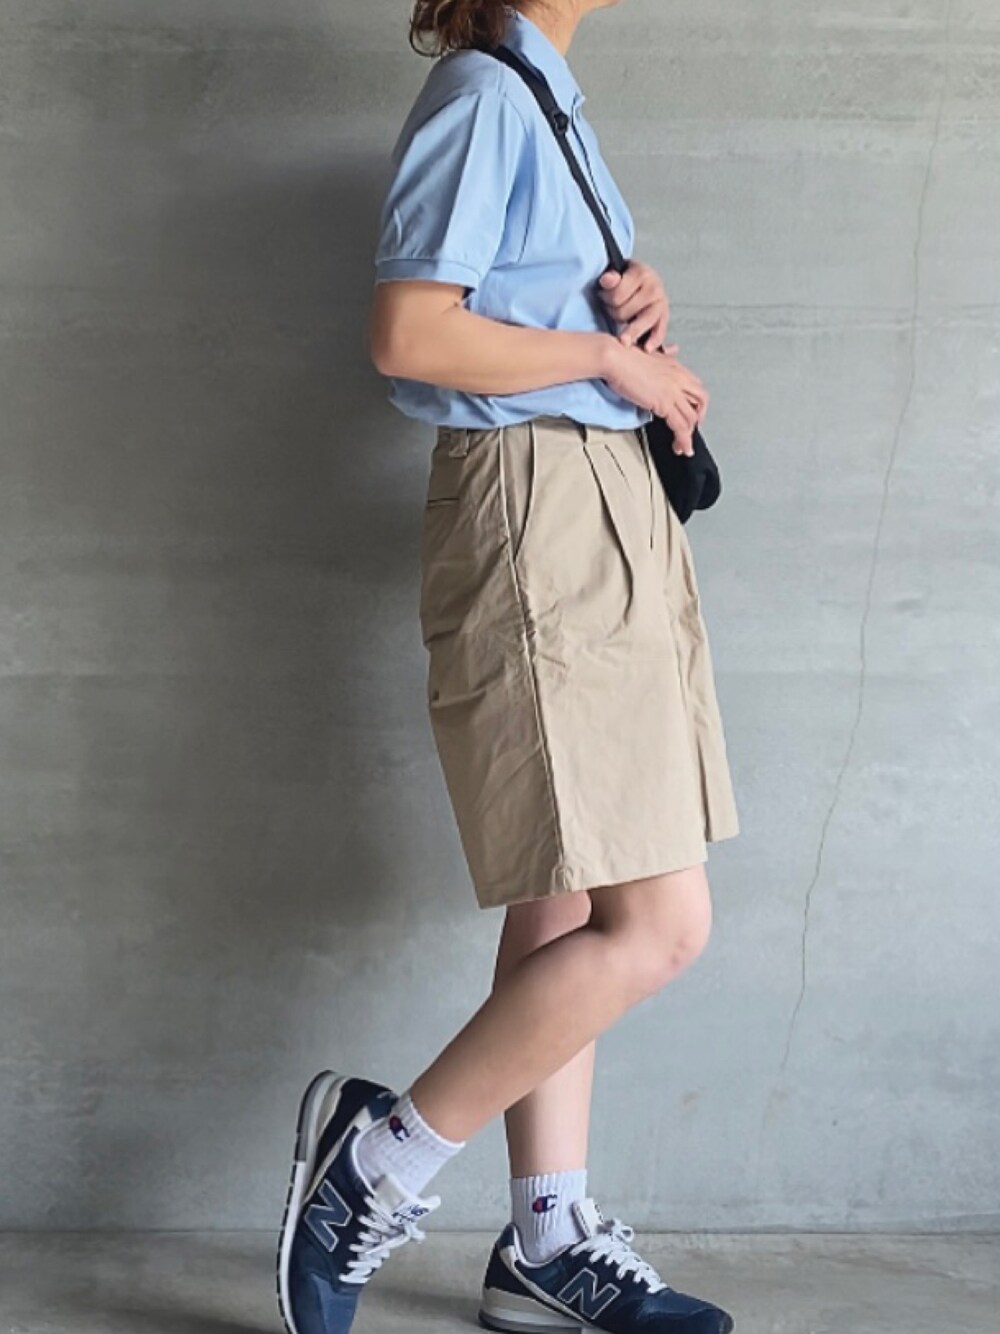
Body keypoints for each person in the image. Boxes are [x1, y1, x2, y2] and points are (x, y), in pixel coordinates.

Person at [276, 3, 741, 1332]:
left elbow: (502, 312)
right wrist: (600, 359)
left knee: (565, 890)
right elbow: (410, 335)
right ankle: (378, 1162)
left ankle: (546, 1239)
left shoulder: (542, 104)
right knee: (660, 924)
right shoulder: (485, 97)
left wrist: (628, 320)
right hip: (539, 505)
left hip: (593, 499)